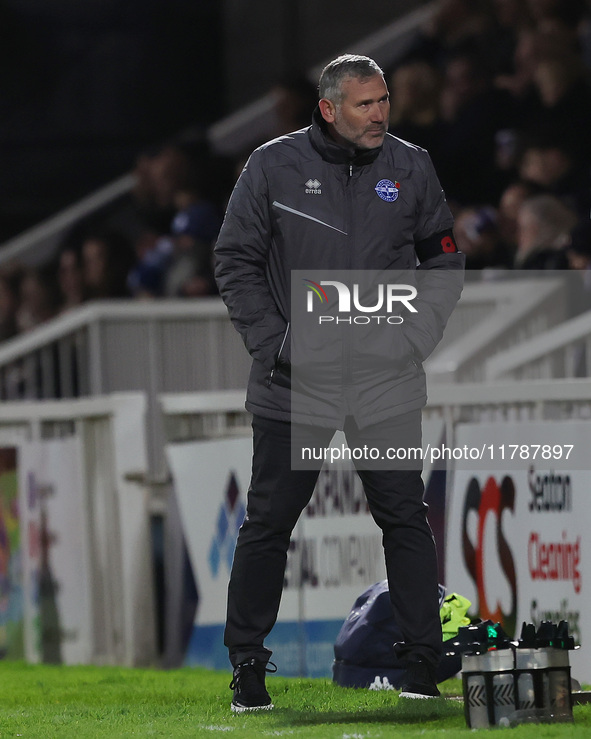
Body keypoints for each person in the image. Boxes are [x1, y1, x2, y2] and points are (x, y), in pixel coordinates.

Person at [214, 54, 465, 712]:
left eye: (382, 100)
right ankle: (246, 665)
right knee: (268, 522)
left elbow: (442, 258)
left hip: (383, 380)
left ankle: (419, 667)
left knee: (404, 518)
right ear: (328, 109)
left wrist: (413, 337)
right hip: (296, 383)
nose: (379, 112)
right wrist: (277, 344)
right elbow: (233, 258)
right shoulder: (271, 166)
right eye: (364, 103)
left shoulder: (411, 166)